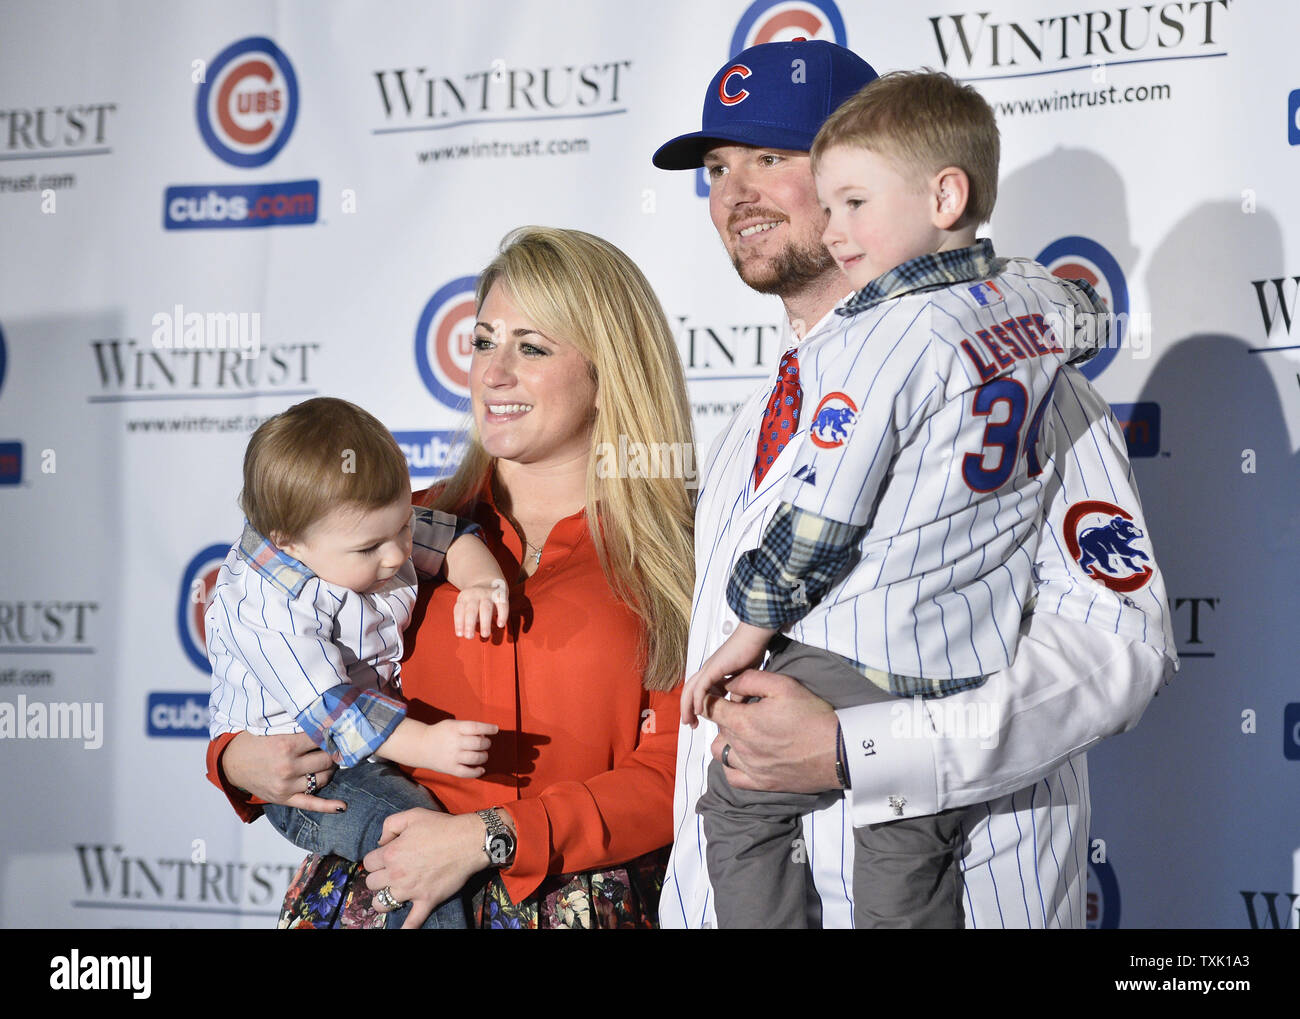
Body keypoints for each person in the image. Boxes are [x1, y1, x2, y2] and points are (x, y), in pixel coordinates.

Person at [653, 39, 1177, 928]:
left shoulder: (1024, 383)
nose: (734, 191)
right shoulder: (751, 421)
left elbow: (1117, 650)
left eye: (774, 158)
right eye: (715, 166)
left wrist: (859, 750)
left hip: (965, 890)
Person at [206, 226, 695, 928]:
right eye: (484, 340)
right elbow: (271, 647)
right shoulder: (394, 528)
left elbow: (675, 774)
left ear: (608, 370)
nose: (494, 372)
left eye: (531, 346)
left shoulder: (675, 552)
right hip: (384, 893)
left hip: (579, 901)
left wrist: (490, 836)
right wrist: (236, 760)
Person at [205, 396, 507, 929]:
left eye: (402, 531)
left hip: (366, 748)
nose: (396, 555)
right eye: (371, 548)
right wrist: (429, 744)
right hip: (312, 776)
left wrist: (481, 580)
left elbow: (452, 536)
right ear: (290, 544)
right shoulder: (264, 604)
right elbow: (335, 709)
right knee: (410, 838)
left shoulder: (356, 521)